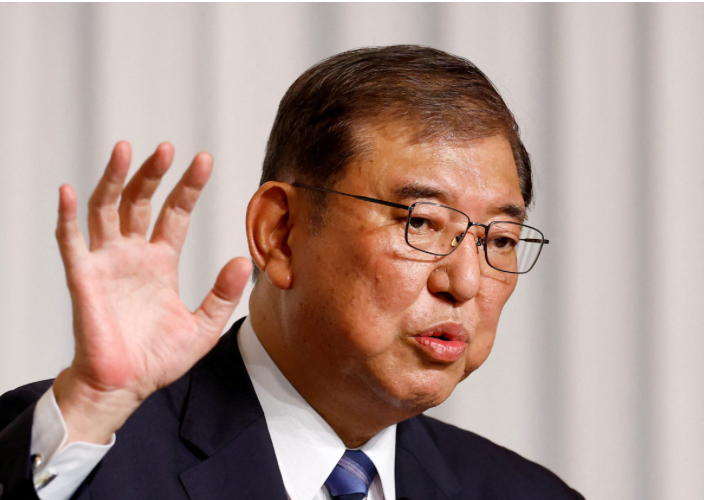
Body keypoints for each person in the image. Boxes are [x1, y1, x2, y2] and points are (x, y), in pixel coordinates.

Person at [0, 45, 583, 500]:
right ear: (279, 233)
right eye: (423, 223)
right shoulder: (92, 446)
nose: (465, 283)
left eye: (499, 240)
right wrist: (96, 407)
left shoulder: (527, 496)